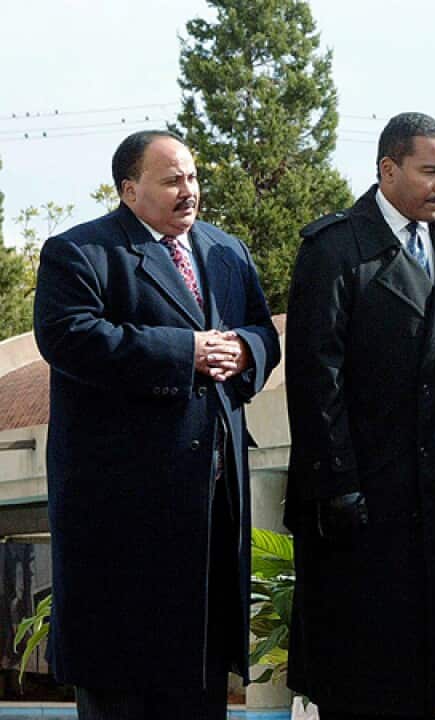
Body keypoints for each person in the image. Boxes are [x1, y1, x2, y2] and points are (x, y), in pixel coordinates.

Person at [33, 130, 280, 720]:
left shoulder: (225, 251)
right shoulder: (80, 252)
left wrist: (244, 351)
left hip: (209, 513)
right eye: (172, 180)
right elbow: (67, 337)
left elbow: (262, 332)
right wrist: (183, 352)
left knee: (199, 687)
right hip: (122, 521)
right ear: (128, 188)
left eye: (193, 177)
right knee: (123, 688)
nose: (189, 191)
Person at [284, 112, 435, 719]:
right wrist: (339, 484)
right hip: (359, 507)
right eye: (430, 171)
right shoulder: (333, 249)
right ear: (388, 169)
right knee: (362, 682)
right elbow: (317, 379)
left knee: (429, 683)